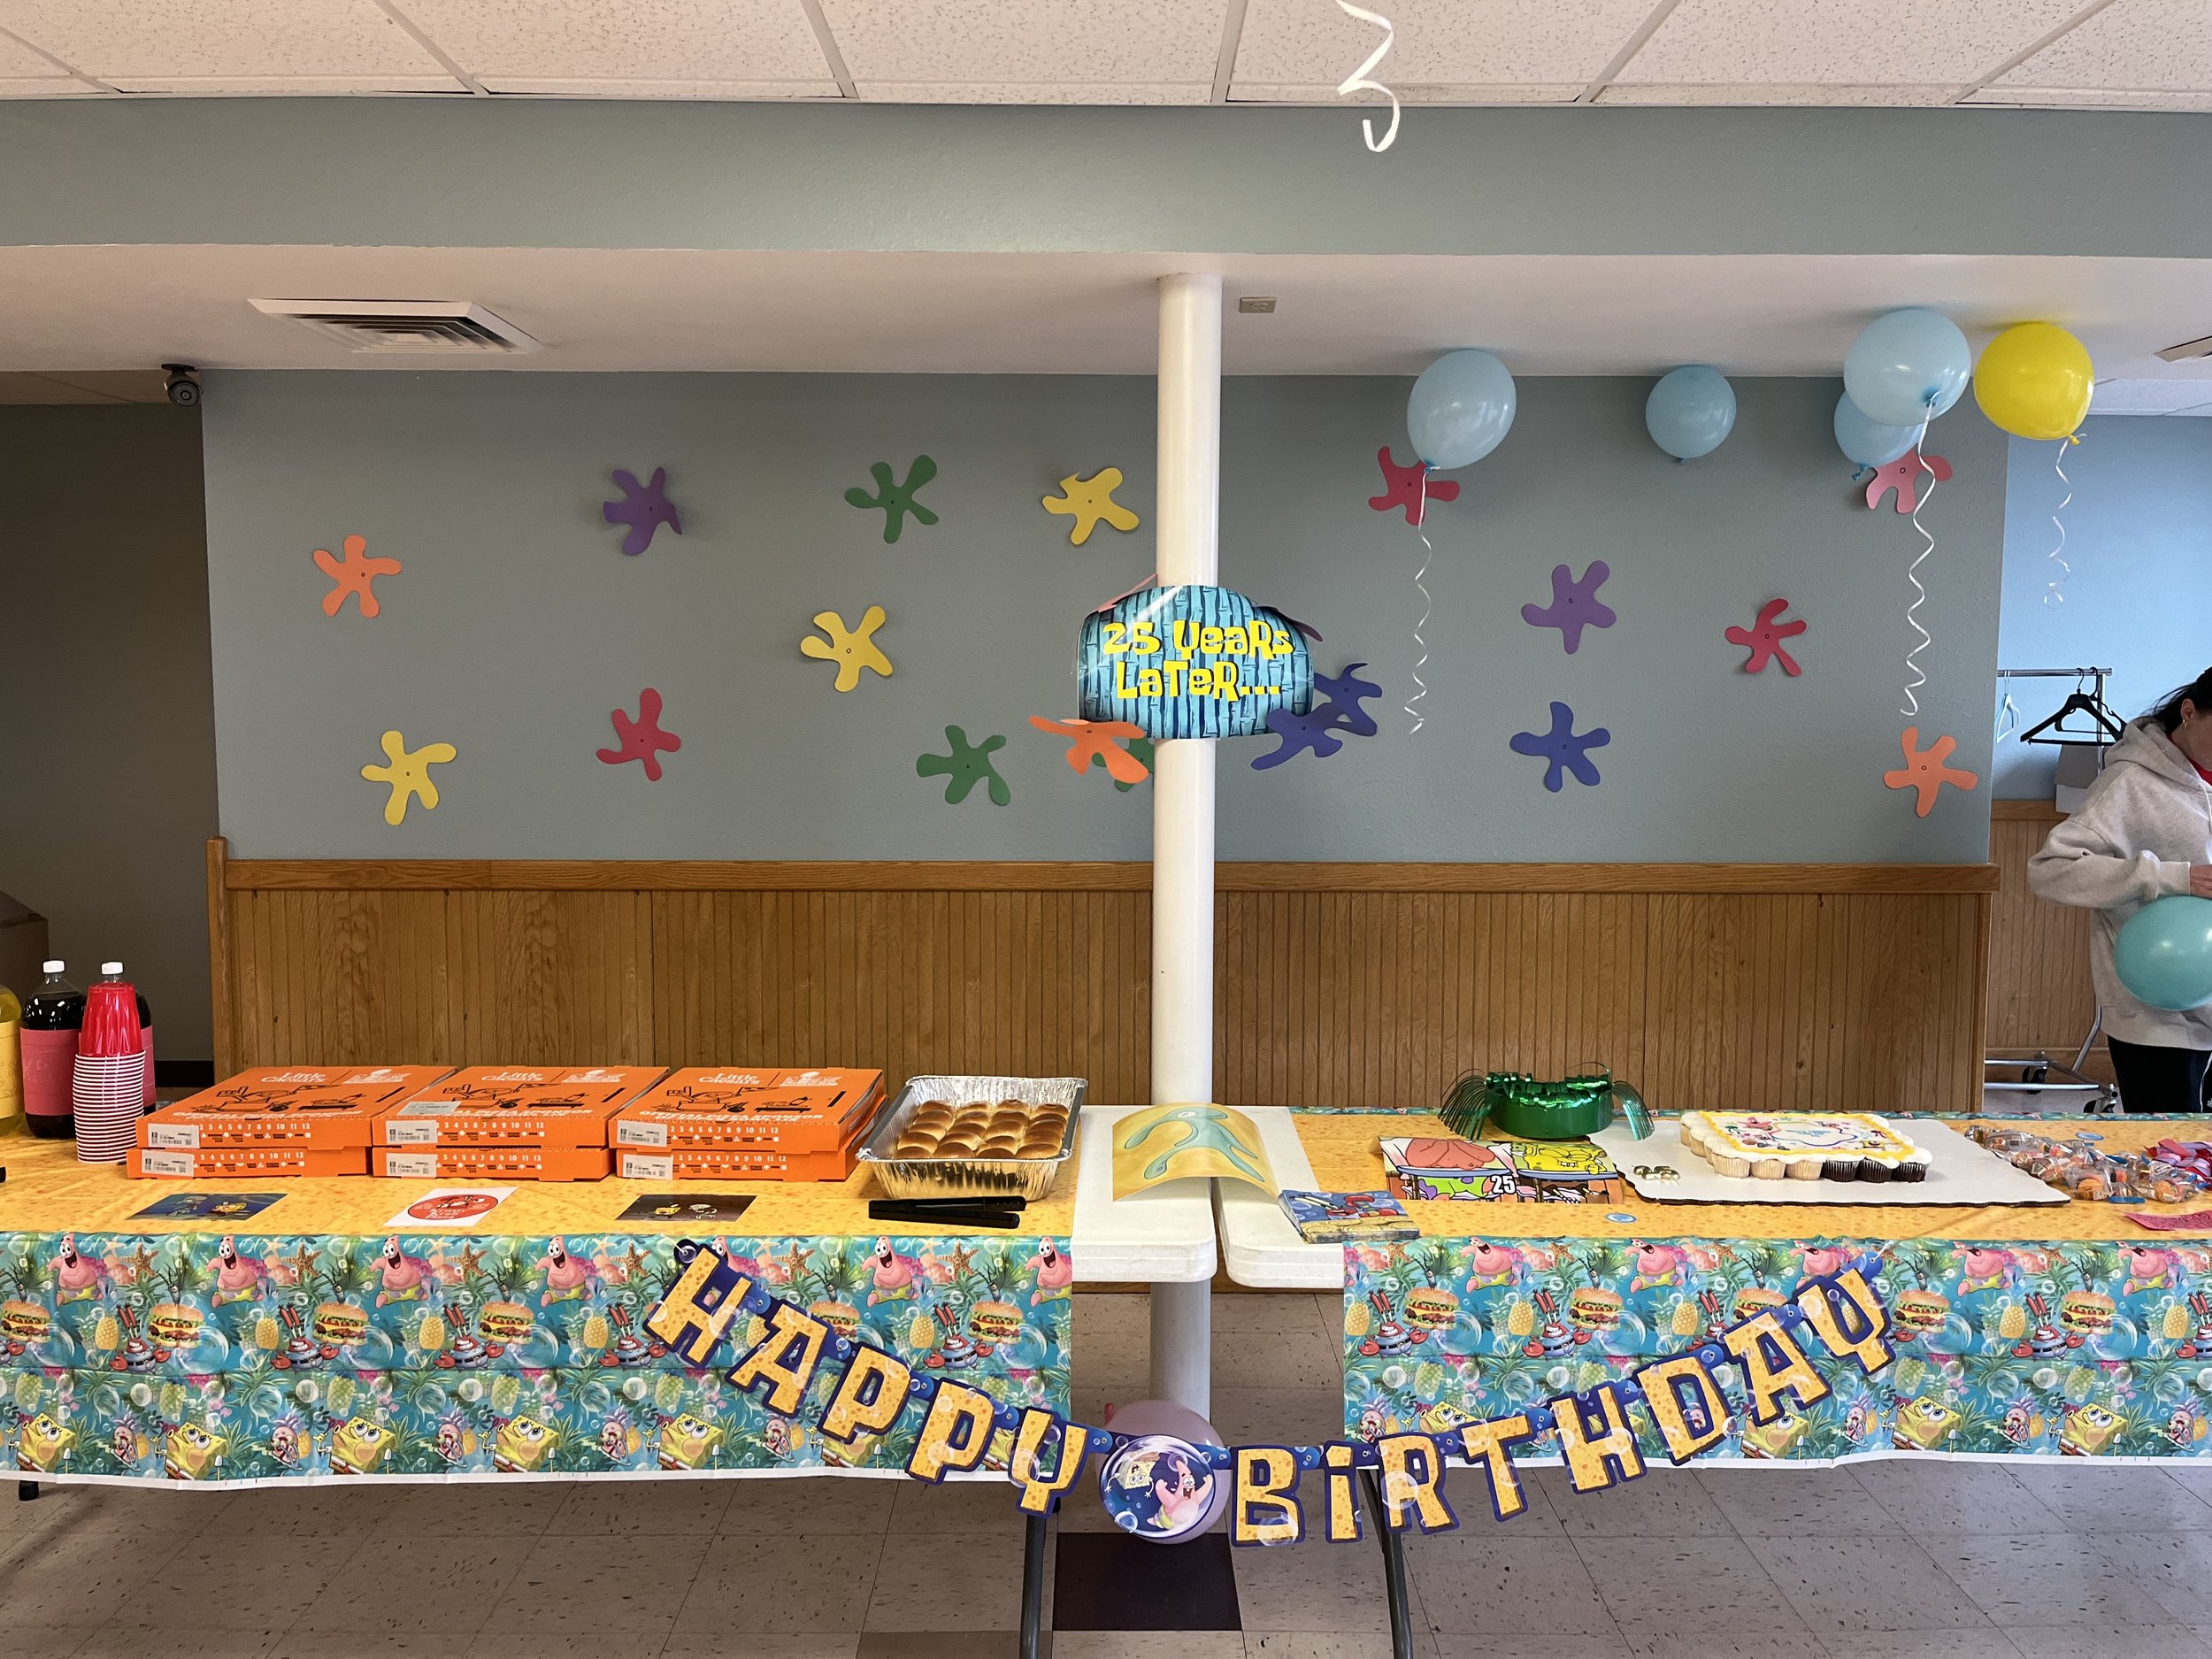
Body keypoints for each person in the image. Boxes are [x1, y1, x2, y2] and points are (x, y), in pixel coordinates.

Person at [2030, 668, 2212, 1111]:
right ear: (2189, 712)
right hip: (2158, 1020)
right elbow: (2049, 870)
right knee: (2169, 1163)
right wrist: (2172, 877)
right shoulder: (2127, 784)